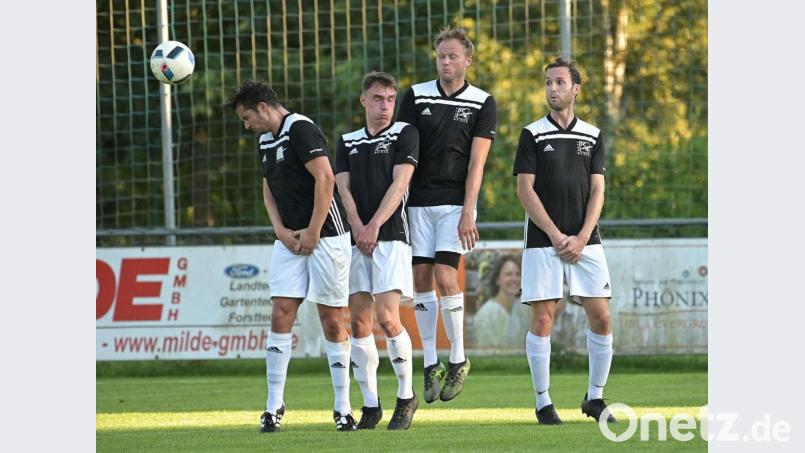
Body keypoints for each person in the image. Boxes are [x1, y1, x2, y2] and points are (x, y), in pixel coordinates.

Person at [224, 80, 357, 433]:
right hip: (290, 240)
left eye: (247, 117)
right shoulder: (266, 140)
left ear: (263, 108)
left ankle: (343, 408)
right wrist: (280, 231)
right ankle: (273, 407)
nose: (247, 125)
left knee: (331, 320)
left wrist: (314, 230)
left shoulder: (301, 129)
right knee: (280, 314)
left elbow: (325, 179)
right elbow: (268, 188)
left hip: (326, 236)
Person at [512, 57, 616, 425]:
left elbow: (598, 190)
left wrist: (582, 236)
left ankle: (595, 398)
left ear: (575, 88)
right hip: (544, 241)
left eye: (559, 82)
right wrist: (557, 236)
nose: (552, 89)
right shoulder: (532, 134)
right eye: (548, 83)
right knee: (543, 318)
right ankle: (543, 403)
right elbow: (525, 190)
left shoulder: (593, 135)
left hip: (586, 241)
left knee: (602, 317)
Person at [398, 25, 497, 404]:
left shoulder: (481, 102)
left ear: (468, 60)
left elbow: (478, 163)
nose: (446, 61)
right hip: (417, 202)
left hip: (454, 203)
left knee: (444, 274)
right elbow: (402, 149)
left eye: (453, 55)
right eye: (441, 55)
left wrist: (469, 210)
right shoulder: (416, 96)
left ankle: (458, 359)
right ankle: (431, 362)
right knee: (421, 278)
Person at [334, 71, 420, 430]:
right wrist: (357, 225)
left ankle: (406, 396)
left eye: (389, 99)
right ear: (363, 101)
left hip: (391, 237)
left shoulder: (405, 133)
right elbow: (343, 187)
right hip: (356, 240)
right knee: (358, 322)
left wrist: (373, 227)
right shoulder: (347, 140)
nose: (385, 106)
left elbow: (400, 184)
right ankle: (370, 403)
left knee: (388, 318)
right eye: (377, 99)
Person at [473, 254, 529, 349]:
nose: (514, 279)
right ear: (497, 280)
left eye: (518, 274)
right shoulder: (486, 314)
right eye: (508, 274)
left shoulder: (525, 309)